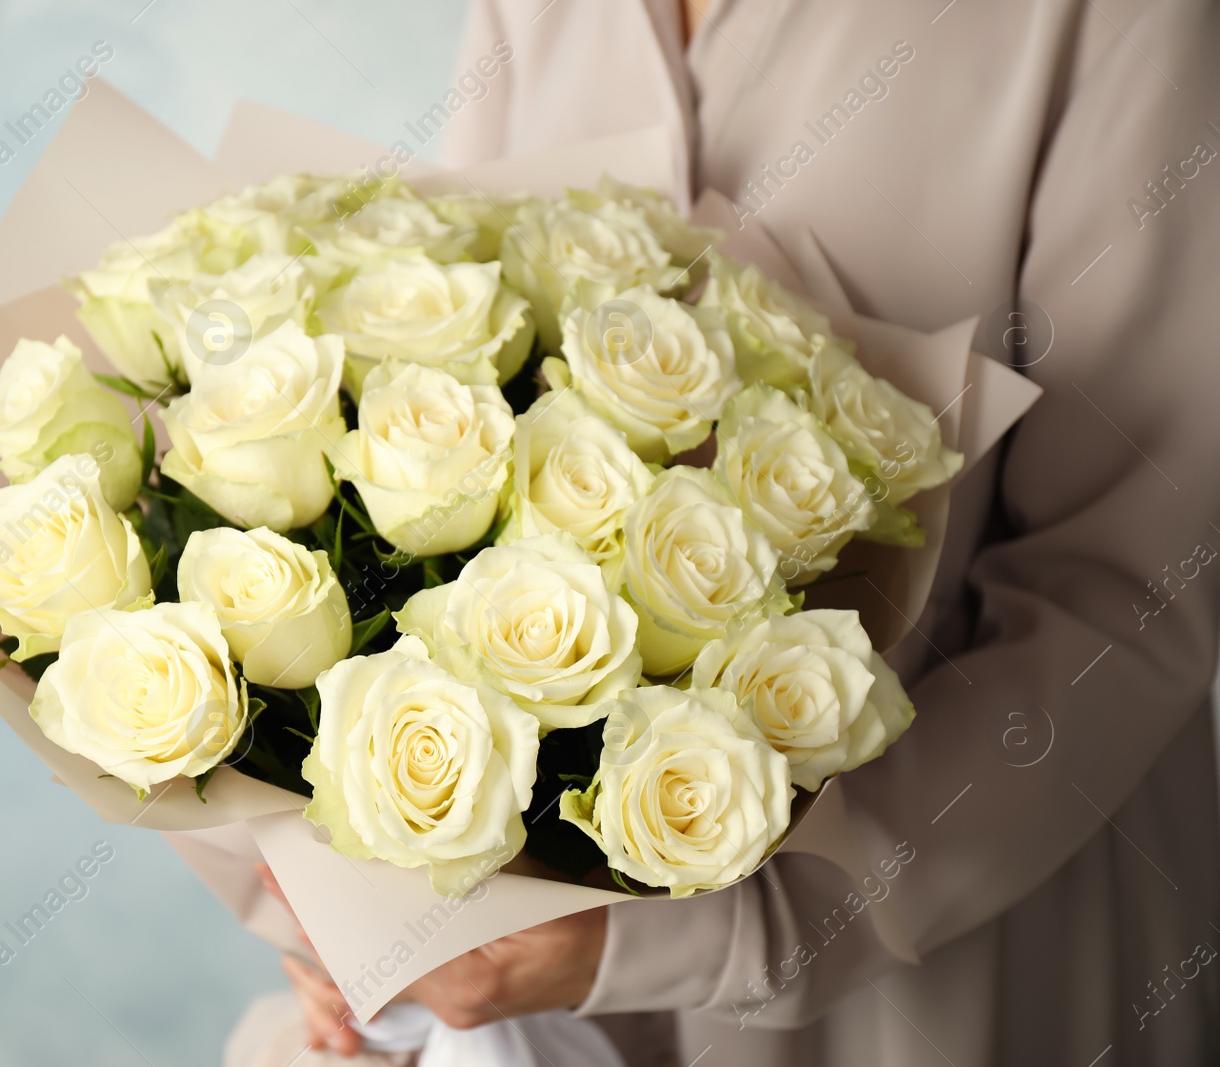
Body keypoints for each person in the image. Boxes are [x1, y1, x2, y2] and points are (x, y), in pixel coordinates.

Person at [273, 1, 1220, 1063]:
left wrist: (713, 931)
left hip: (952, 965)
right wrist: (362, 890)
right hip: (526, 988)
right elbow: (469, 381)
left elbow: (1125, 597)